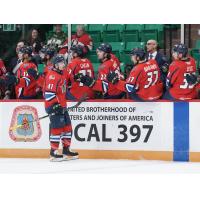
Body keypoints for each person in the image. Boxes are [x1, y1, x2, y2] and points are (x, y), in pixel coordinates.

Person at [44, 54, 79, 161]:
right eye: (60, 63)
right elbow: (49, 94)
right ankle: (53, 152)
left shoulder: (62, 74)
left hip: (62, 106)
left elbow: (64, 91)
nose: (63, 65)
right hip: (53, 107)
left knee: (67, 127)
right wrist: (56, 105)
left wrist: (75, 98)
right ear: (55, 65)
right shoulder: (52, 76)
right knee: (57, 129)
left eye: (63, 62)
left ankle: (66, 149)